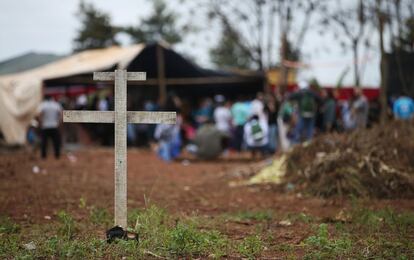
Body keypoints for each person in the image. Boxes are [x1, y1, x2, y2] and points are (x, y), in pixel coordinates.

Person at [37, 95, 62, 159]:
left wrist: (41, 123)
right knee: (56, 142)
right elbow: (60, 114)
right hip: (54, 126)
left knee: (44, 142)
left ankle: (43, 156)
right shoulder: (56, 104)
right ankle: (57, 155)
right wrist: (59, 123)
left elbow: (39, 114)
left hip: (45, 126)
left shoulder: (43, 105)